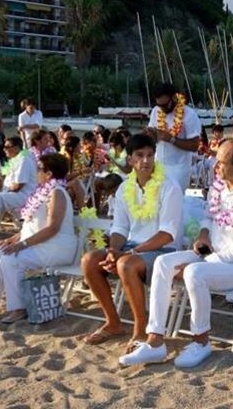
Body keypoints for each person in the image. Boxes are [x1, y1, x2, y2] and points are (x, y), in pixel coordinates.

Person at [119, 138, 233, 368]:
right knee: (162, 263)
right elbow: (209, 216)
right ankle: (155, 342)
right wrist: (204, 234)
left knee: (194, 273)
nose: (215, 167)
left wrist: (200, 262)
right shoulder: (219, 187)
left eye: (221, 162)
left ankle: (201, 341)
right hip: (207, 254)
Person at [81, 134, 183, 350]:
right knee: (89, 260)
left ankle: (140, 330)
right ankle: (113, 323)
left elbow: (167, 234)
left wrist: (129, 252)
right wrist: (112, 250)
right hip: (131, 248)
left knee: (125, 264)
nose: (146, 160)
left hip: (164, 251)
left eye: (150, 155)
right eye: (140, 155)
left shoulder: (169, 186)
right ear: (130, 160)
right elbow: (119, 228)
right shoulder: (124, 188)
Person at [0, 153, 78, 323]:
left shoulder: (57, 193)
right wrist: (13, 239)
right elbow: (32, 225)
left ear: (49, 174)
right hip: (42, 244)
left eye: (39, 169)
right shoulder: (43, 191)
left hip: (56, 247)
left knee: (12, 258)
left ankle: (18, 307)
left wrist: (21, 245)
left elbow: (52, 228)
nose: (36, 173)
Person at [147, 83, 201, 190]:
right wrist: (149, 134)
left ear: (174, 97)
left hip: (179, 168)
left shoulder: (189, 114)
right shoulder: (155, 111)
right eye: (159, 105)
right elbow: (153, 138)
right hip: (159, 165)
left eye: (165, 105)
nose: (162, 108)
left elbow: (195, 145)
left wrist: (171, 139)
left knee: (175, 201)